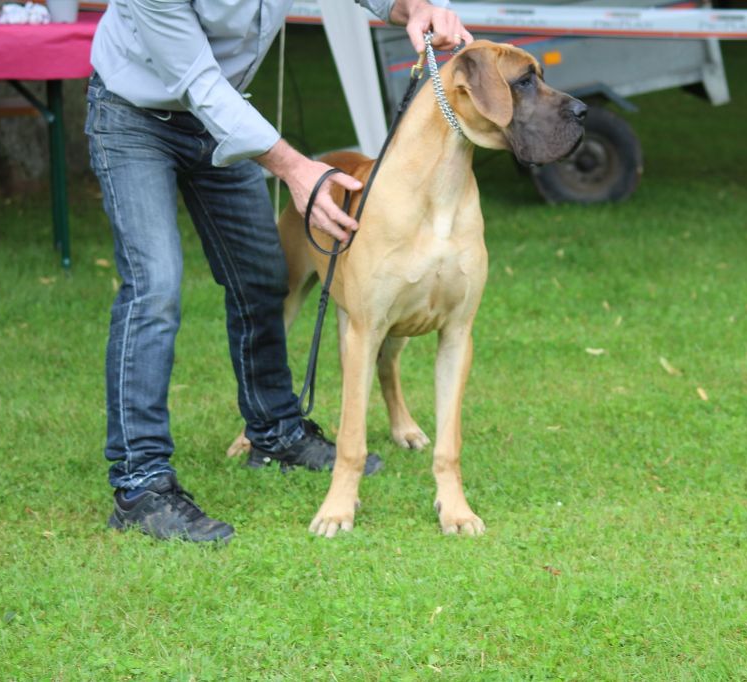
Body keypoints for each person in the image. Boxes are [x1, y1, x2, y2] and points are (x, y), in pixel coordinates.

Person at [86, 0, 473, 543]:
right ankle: (140, 484)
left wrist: (412, 7)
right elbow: (197, 80)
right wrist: (295, 169)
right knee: (155, 288)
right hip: (135, 117)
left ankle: (275, 432)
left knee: (264, 277)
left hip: (222, 114)